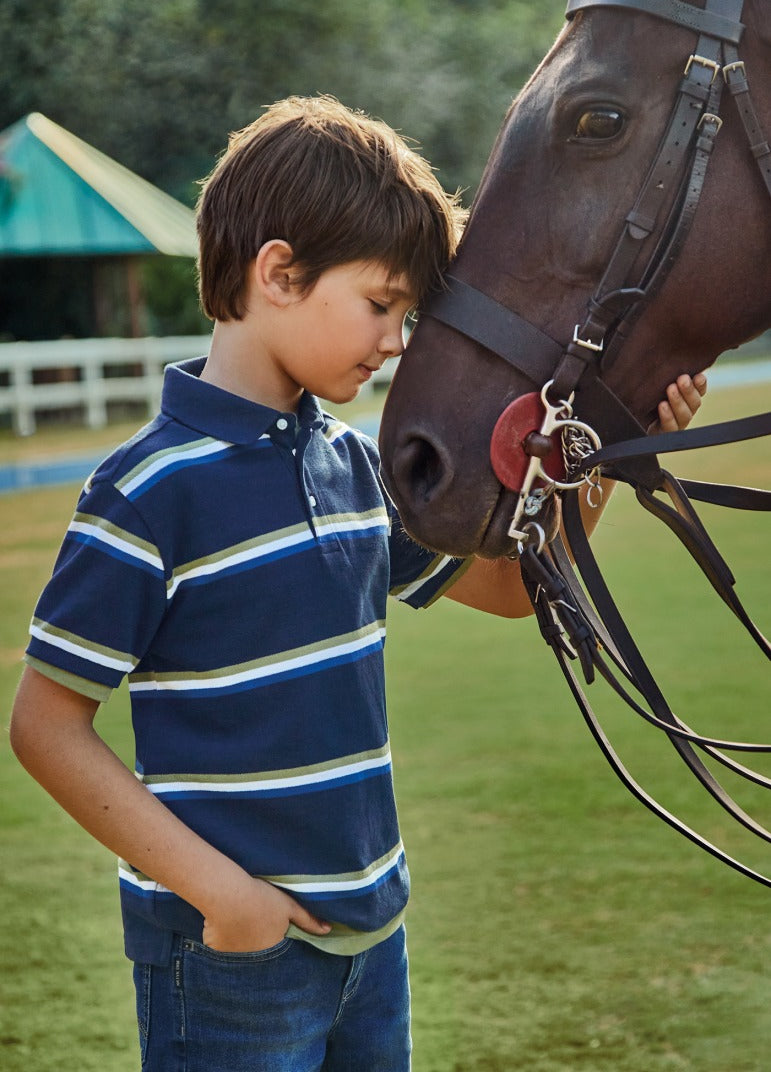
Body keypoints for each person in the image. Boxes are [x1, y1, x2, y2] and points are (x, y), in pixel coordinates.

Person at [9, 95, 706, 1071]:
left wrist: (609, 452)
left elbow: (510, 590)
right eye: (382, 305)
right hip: (231, 958)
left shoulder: (356, 467)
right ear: (278, 273)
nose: (396, 341)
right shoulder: (148, 490)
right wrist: (226, 897)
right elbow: (45, 725)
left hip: (373, 941)